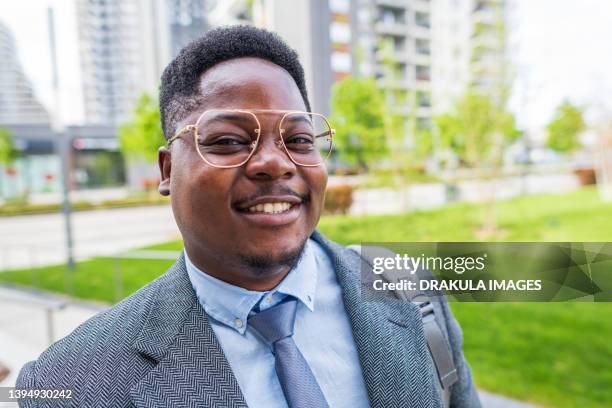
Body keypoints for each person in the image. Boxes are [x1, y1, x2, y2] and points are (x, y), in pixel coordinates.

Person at [17, 26, 480, 407]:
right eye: (228, 140)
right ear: (167, 169)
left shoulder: (411, 292)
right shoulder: (74, 384)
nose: (275, 162)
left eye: (299, 140)